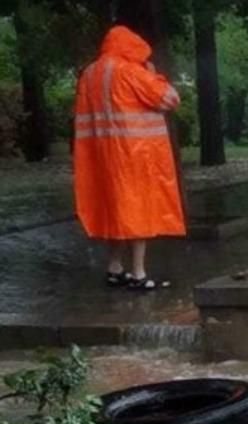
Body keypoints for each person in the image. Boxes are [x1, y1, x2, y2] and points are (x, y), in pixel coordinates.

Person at [73, 26, 185, 291]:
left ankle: (114, 267)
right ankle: (139, 274)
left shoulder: (89, 74)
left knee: (116, 212)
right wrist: (153, 75)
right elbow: (170, 99)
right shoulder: (131, 72)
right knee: (138, 213)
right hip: (134, 155)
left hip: (100, 158)